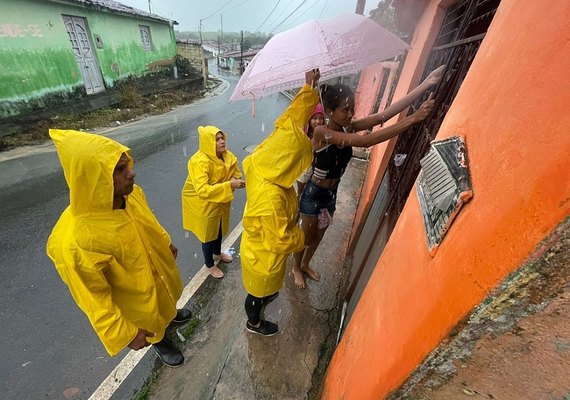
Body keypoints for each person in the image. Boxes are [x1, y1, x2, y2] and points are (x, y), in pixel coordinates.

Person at [46, 129, 190, 368]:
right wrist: (125, 333)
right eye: (120, 170)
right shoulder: (75, 240)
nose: (132, 173)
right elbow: (93, 297)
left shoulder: (131, 195)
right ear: (94, 179)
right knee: (151, 321)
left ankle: (170, 317)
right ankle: (161, 342)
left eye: (127, 165)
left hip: (157, 273)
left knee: (165, 300)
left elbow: (149, 222)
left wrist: (164, 243)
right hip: (134, 300)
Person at [292, 65, 446, 288]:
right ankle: (296, 266)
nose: (350, 114)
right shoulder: (321, 133)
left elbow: (383, 115)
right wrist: (414, 118)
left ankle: (306, 264)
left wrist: (426, 84)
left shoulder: (348, 127)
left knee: (319, 236)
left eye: (352, 108)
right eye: (345, 110)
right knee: (306, 238)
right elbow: (366, 141)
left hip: (330, 194)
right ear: (330, 112)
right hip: (313, 194)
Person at [240, 69, 321, 336]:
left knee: (262, 289)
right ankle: (254, 322)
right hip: (263, 255)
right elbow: (281, 241)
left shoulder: (265, 159)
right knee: (257, 293)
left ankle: (261, 303)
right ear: (289, 161)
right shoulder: (271, 196)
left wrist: (308, 89)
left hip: (259, 247)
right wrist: (303, 237)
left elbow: (289, 123)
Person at [181, 126, 245, 279]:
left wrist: (236, 180)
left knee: (220, 228)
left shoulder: (227, 156)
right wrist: (229, 185)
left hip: (221, 200)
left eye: (222, 138)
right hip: (204, 203)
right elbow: (202, 190)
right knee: (208, 234)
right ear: (207, 142)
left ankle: (217, 254)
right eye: (217, 139)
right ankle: (209, 264)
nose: (222, 142)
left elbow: (236, 172)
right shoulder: (199, 161)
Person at [296, 103, 325, 195]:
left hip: (316, 166)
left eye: (320, 118)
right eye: (314, 118)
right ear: (309, 120)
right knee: (300, 187)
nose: (318, 121)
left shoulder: (324, 133)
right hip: (304, 166)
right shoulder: (305, 133)